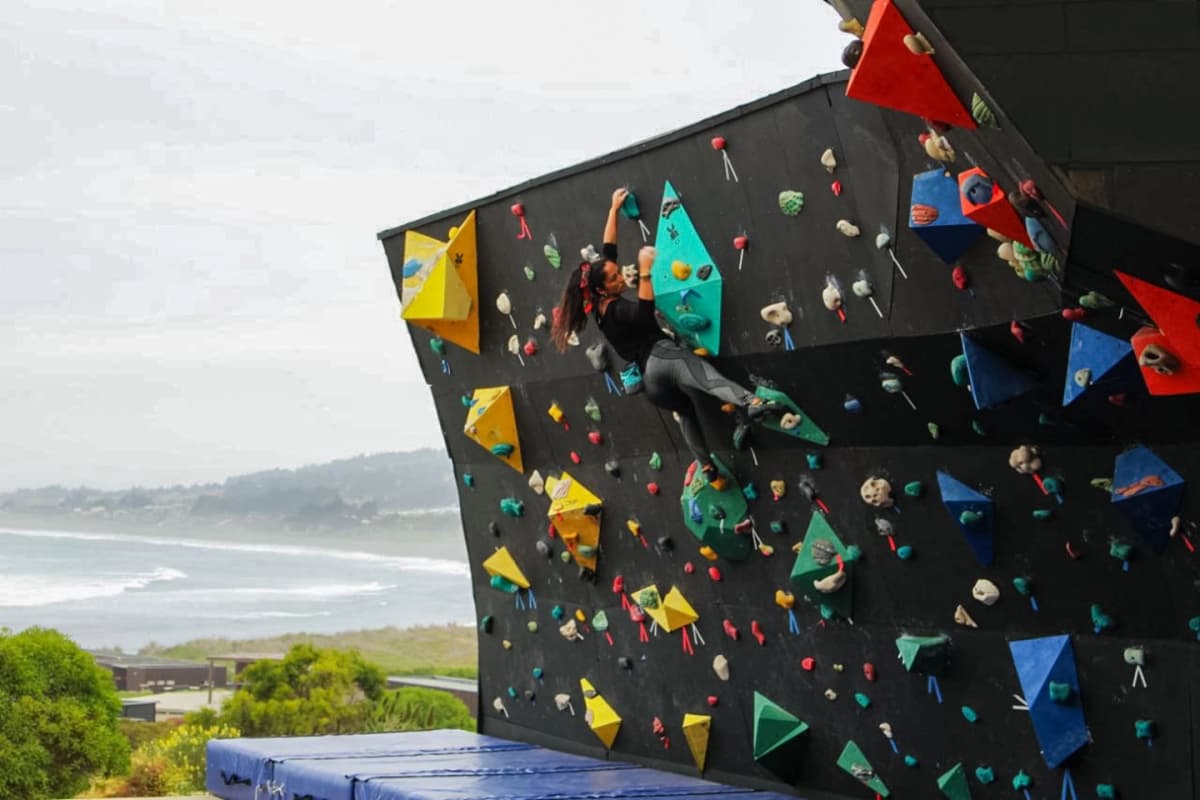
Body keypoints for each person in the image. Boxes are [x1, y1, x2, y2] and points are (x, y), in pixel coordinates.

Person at [551, 188, 779, 484]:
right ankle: (752, 403)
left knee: (685, 412)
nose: (621, 277)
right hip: (663, 356)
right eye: (615, 278)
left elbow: (608, 250)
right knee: (707, 377)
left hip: (651, 383)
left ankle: (705, 466)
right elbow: (645, 314)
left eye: (619, 273)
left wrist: (613, 209)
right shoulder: (616, 309)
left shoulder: (597, 305)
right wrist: (645, 271)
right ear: (602, 289)